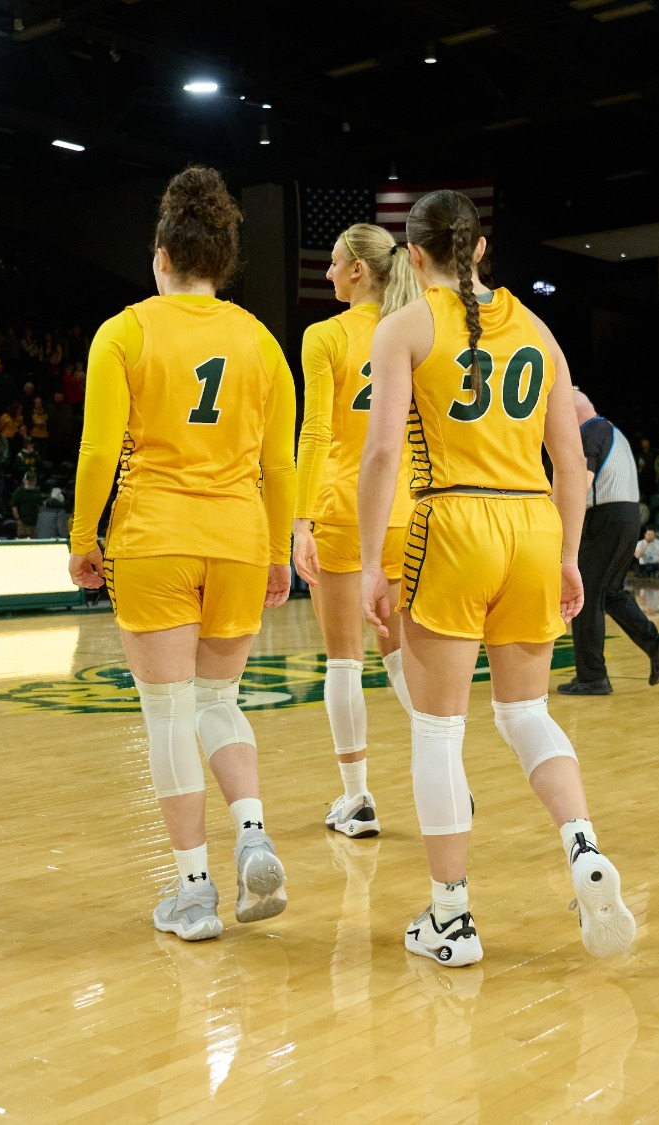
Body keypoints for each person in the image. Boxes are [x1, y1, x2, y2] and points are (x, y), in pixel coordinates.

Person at [357, 187, 636, 968]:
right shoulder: (539, 331)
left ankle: (451, 917)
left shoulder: (405, 327)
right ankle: (583, 846)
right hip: (532, 526)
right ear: (480, 249)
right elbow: (572, 463)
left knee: (438, 730)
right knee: (526, 714)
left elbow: (382, 454)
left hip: (452, 524)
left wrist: (373, 560)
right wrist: (569, 555)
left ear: (414, 256)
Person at [68, 166, 296, 944]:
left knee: (167, 711)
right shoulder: (261, 341)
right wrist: (276, 549)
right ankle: (254, 832)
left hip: (155, 537)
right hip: (238, 538)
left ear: (162, 255)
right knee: (219, 700)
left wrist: (83, 536)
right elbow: (281, 463)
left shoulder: (124, 331)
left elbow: (98, 449)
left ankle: (195, 890)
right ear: (223, 262)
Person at [291, 221, 420, 838]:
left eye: (334, 262)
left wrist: (300, 519)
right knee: (399, 654)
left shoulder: (325, 336)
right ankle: (443, 767)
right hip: (407, 510)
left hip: (344, 508)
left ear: (358, 270)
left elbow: (316, 431)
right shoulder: (417, 328)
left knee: (344, 660)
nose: (327, 272)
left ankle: (357, 800)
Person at [560, 389, 659, 696]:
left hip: (605, 517)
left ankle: (593, 678)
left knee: (585, 596)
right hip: (627, 516)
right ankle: (658, 645)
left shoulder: (589, 431)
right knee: (610, 593)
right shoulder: (611, 430)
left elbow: (581, 483)